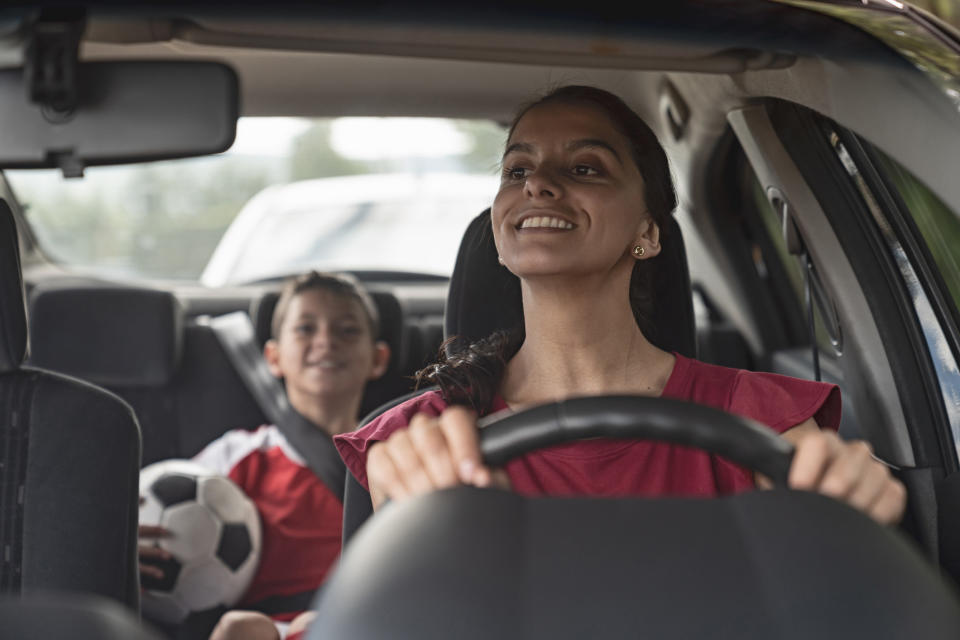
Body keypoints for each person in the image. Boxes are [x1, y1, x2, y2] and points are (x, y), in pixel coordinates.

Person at [333, 85, 906, 526]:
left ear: (649, 232)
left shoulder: (756, 419)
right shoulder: (420, 441)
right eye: (516, 169)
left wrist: (852, 495)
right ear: (499, 232)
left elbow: (831, 565)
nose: (537, 184)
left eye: (584, 168)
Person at [139, 271, 390, 640]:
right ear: (273, 357)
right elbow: (150, 516)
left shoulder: (394, 453)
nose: (326, 341)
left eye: (347, 330)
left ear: (378, 359)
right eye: (305, 329)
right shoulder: (236, 456)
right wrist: (137, 546)